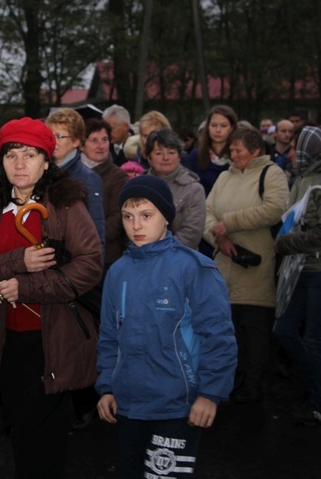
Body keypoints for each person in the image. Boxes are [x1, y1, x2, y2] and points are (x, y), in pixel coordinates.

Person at [0, 117, 102, 478]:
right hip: (4, 336)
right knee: (21, 430)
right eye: (11, 155)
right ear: (1, 162)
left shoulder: (65, 204)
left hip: (54, 337)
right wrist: (16, 262)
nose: (20, 164)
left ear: (46, 161)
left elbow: (90, 264)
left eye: (30, 155)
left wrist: (27, 286)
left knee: (46, 435)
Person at [96, 175, 237, 479]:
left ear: (166, 218)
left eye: (146, 216)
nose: (136, 226)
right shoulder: (117, 271)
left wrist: (210, 393)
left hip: (177, 406)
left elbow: (218, 337)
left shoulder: (194, 268)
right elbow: (109, 336)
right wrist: (106, 386)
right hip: (128, 403)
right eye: (128, 217)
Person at [204, 128, 289, 403]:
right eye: (232, 149)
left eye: (239, 150)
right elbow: (206, 213)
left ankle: (253, 386)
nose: (233, 154)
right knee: (229, 330)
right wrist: (219, 238)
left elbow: (275, 208)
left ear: (255, 151)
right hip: (224, 265)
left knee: (254, 331)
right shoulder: (224, 176)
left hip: (256, 268)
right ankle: (232, 381)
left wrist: (230, 222)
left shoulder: (271, 173)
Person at [273, 126, 321, 425]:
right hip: (301, 267)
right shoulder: (303, 176)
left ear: (309, 151)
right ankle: (319, 385)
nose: (291, 152)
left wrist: (283, 242)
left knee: (316, 339)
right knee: (284, 330)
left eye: (296, 147)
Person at [45, 108, 106, 252]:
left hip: (75, 258)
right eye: (50, 136)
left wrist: (94, 270)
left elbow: (96, 231)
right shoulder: (41, 172)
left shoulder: (88, 178)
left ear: (76, 141)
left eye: (60, 136)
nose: (54, 142)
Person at [143, 128, 206, 250]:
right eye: (159, 153)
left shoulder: (193, 189)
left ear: (179, 156)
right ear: (149, 157)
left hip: (179, 260)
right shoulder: (138, 186)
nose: (166, 158)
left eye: (171, 152)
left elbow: (191, 234)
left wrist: (159, 250)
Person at [81, 118, 130, 267]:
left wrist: (84, 236)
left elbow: (118, 218)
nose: (100, 146)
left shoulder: (119, 176)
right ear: (81, 145)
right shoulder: (71, 173)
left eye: (104, 140)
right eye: (94, 140)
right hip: (73, 256)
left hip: (107, 257)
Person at [188, 105, 238, 196]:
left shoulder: (238, 156)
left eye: (223, 126)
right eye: (213, 125)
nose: (218, 130)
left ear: (231, 128)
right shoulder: (196, 155)